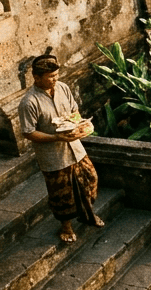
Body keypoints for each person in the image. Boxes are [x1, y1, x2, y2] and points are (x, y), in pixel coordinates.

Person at [18, 55, 101, 243]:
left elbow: (74, 112)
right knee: (62, 193)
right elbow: (28, 133)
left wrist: (79, 126)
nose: (55, 79)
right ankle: (66, 226)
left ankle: (88, 214)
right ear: (37, 77)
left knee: (91, 179)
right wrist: (56, 137)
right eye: (50, 76)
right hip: (53, 155)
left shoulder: (63, 87)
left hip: (75, 147)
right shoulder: (29, 102)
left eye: (56, 75)